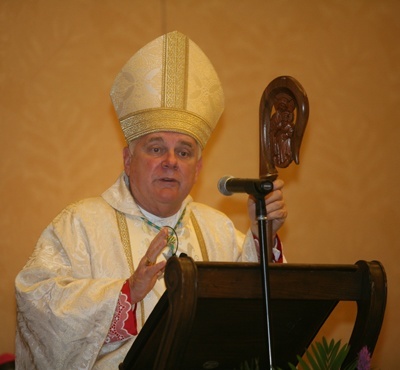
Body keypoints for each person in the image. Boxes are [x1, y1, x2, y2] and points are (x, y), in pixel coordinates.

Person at [15, 31, 287, 369]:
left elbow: (256, 318)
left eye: (184, 152)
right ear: (128, 159)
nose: (171, 161)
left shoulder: (217, 229)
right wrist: (125, 295)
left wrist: (263, 236)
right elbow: (35, 298)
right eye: (156, 148)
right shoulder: (79, 224)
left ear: (198, 168)